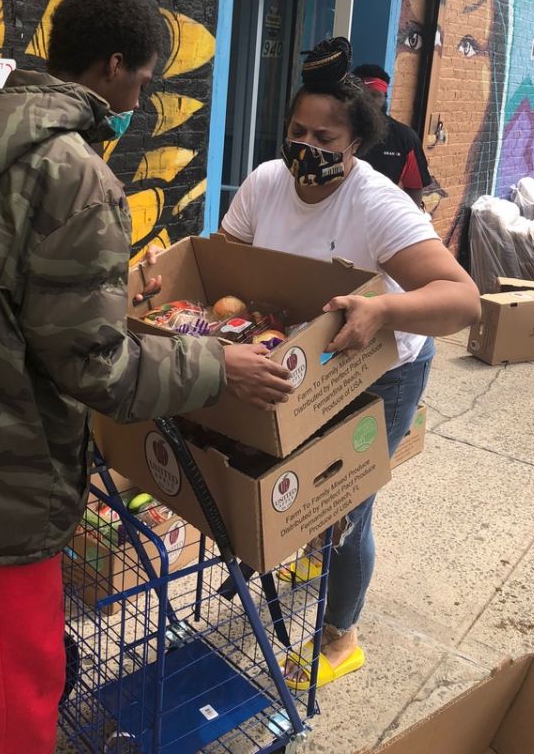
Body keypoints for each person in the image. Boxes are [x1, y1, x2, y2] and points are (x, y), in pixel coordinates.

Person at [0, 0, 292, 754]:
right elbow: (100, 373)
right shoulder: (76, 174)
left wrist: (108, 293)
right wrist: (218, 366)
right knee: (14, 703)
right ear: (115, 66)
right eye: (145, 81)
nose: (143, 100)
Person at [220, 37, 480, 689]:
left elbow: (462, 300)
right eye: (298, 130)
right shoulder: (265, 184)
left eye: (325, 136)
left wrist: (385, 311)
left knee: (345, 500)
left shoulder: (375, 203)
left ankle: (341, 635)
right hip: (314, 358)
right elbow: (220, 264)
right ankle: (314, 553)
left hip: (382, 365)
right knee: (304, 481)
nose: (307, 146)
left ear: (355, 144)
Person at [351, 63, 433, 207]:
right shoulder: (338, 132)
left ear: (385, 98)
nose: (367, 102)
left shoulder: (405, 138)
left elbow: (414, 187)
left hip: (381, 219)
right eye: (361, 96)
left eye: (374, 95)